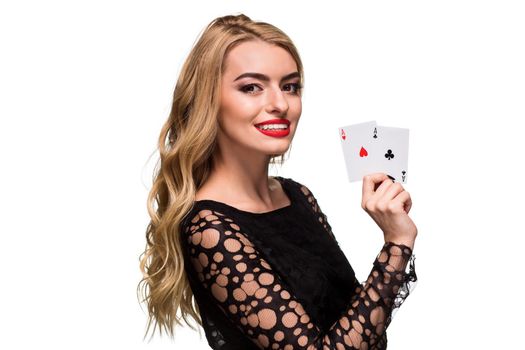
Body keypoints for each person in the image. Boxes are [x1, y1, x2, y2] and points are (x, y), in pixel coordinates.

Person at [138, 13, 418, 349]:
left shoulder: (297, 194)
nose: (280, 104)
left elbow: (360, 325)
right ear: (208, 100)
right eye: (251, 87)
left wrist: (393, 236)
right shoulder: (209, 228)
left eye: (290, 86)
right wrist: (396, 243)